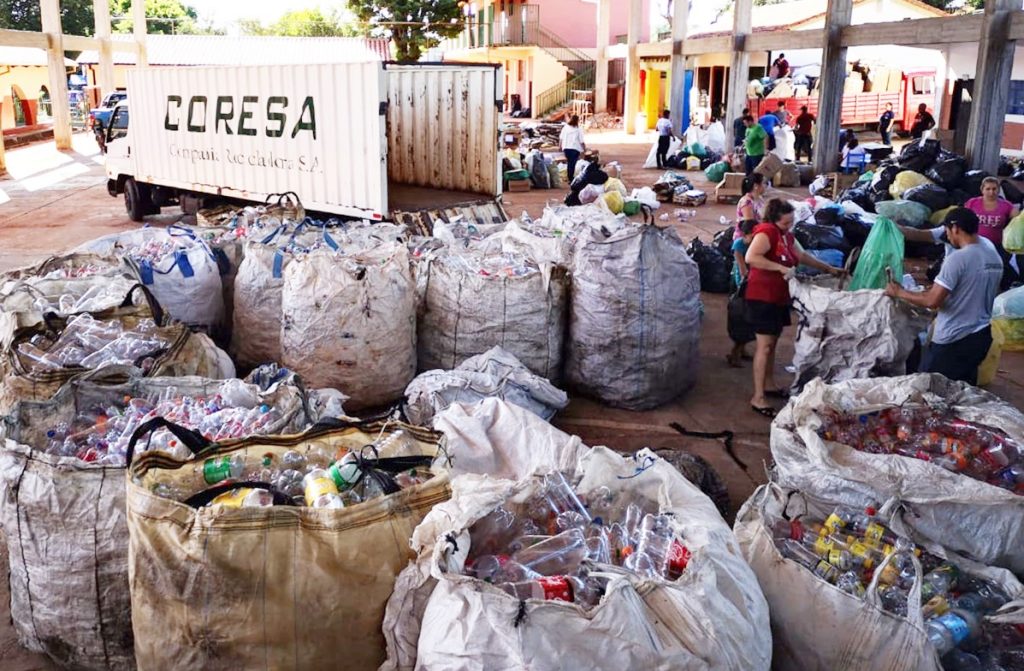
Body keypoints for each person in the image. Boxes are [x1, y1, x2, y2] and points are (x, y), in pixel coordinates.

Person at [745, 199, 844, 417]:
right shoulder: (767, 232)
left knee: (772, 343)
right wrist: (780, 268)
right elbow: (751, 257)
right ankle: (758, 397)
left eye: (791, 222)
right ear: (774, 219)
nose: (789, 226)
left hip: (779, 297)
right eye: (785, 223)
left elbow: (802, 256)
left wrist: (829, 269)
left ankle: (768, 384)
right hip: (762, 296)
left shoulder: (786, 236)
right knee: (764, 346)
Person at [885, 208, 1003, 385]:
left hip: (954, 338)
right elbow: (970, 287)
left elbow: (932, 301)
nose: (947, 235)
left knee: (931, 389)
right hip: (981, 336)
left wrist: (899, 292)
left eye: (947, 230)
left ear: (955, 228)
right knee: (963, 390)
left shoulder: (959, 258)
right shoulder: (992, 252)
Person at [727, 219, 757, 367]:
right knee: (741, 320)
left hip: (750, 283)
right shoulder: (739, 245)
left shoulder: (754, 244)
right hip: (741, 286)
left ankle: (741, 350)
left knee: (749, 320)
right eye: (753, 235)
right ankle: (735, 353)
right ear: (745, 234)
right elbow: (742, 270)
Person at [735, 173, 766, 239]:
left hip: (757, 233)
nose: (766, 186)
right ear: (756, 186)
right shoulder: (746, 202)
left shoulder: (759, 199)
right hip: (746, 238)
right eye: (764, 183)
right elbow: (749, 225)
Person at [559, 114, 586, 183]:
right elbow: (581, 141)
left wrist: (560, 146)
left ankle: (570, 177)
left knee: (569, 163)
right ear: (577, 121)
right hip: (575, 148)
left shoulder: (566, 127)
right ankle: (570, 178)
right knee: (572, 163)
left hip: (566, 148)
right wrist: (584, 148)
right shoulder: (578, 129)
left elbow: (561, 138)